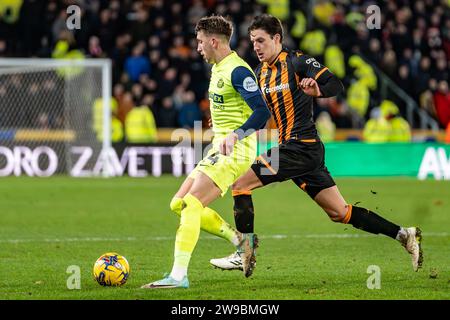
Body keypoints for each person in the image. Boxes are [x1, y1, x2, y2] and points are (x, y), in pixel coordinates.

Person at [209, 14, 423, 276]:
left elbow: (335, 83)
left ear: (277, 38)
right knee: (340, 213)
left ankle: (244, 251)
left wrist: (318, 90)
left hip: (301, 146)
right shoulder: (259, 74)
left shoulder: (297, 61)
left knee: (241, 184)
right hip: (296, 152)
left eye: (261, 40)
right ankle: (404, 235)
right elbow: (258, 113)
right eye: (253, 41)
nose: (256, 46)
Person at [141, 15, 271, 289]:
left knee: (192, 204)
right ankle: (241, 241)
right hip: (219, 148)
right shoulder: (218, 69)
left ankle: (178, 276)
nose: (198, 48)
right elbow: (234, 107)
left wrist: (236, 134)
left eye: (200, 42)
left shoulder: (238, 70)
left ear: (213, 41)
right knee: (177, 203)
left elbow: (262, 111)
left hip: (236, 151)